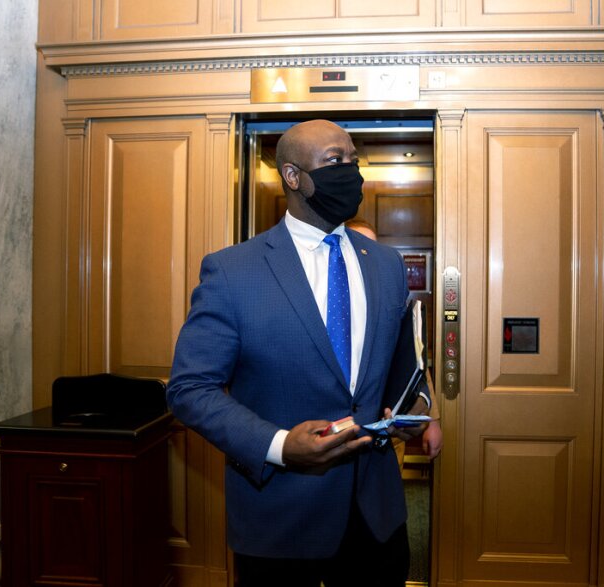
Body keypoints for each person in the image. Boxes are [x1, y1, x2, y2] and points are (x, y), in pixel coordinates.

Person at [167, 119, 430, 587]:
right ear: (292, 176)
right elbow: (190, 389)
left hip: (376, 516)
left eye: (353, 160)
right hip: (279, 518)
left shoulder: (386, 265)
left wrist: (419, 407)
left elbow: (400, 364)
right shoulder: (232, 271)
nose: (351, 171)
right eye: (334, 160)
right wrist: (280, 446)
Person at [344, 218, 444, 467]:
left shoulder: (392, 301)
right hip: (340, 437)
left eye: (372, 248)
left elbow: (413, 360)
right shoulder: (329, 304)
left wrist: (432, 421)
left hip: (387, 437)